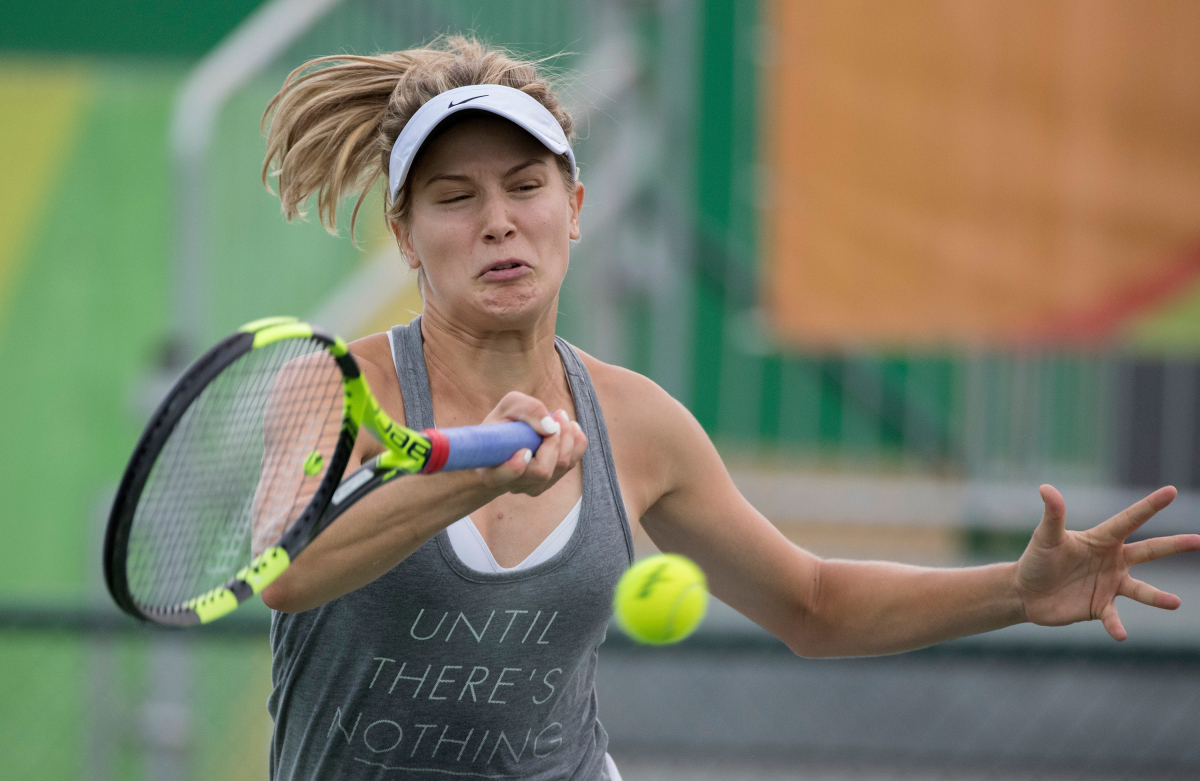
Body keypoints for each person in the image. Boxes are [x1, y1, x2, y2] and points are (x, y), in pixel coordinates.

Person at [257, 37, 1200, 781]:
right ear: (406, 236)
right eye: (455, 197)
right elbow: (287, 571)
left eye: (527, 185)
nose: (498, 220)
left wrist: (1017, 592)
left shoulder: (639, 421)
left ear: (574, 206)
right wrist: (475, 474)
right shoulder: (335, 387)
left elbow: (811, 603)